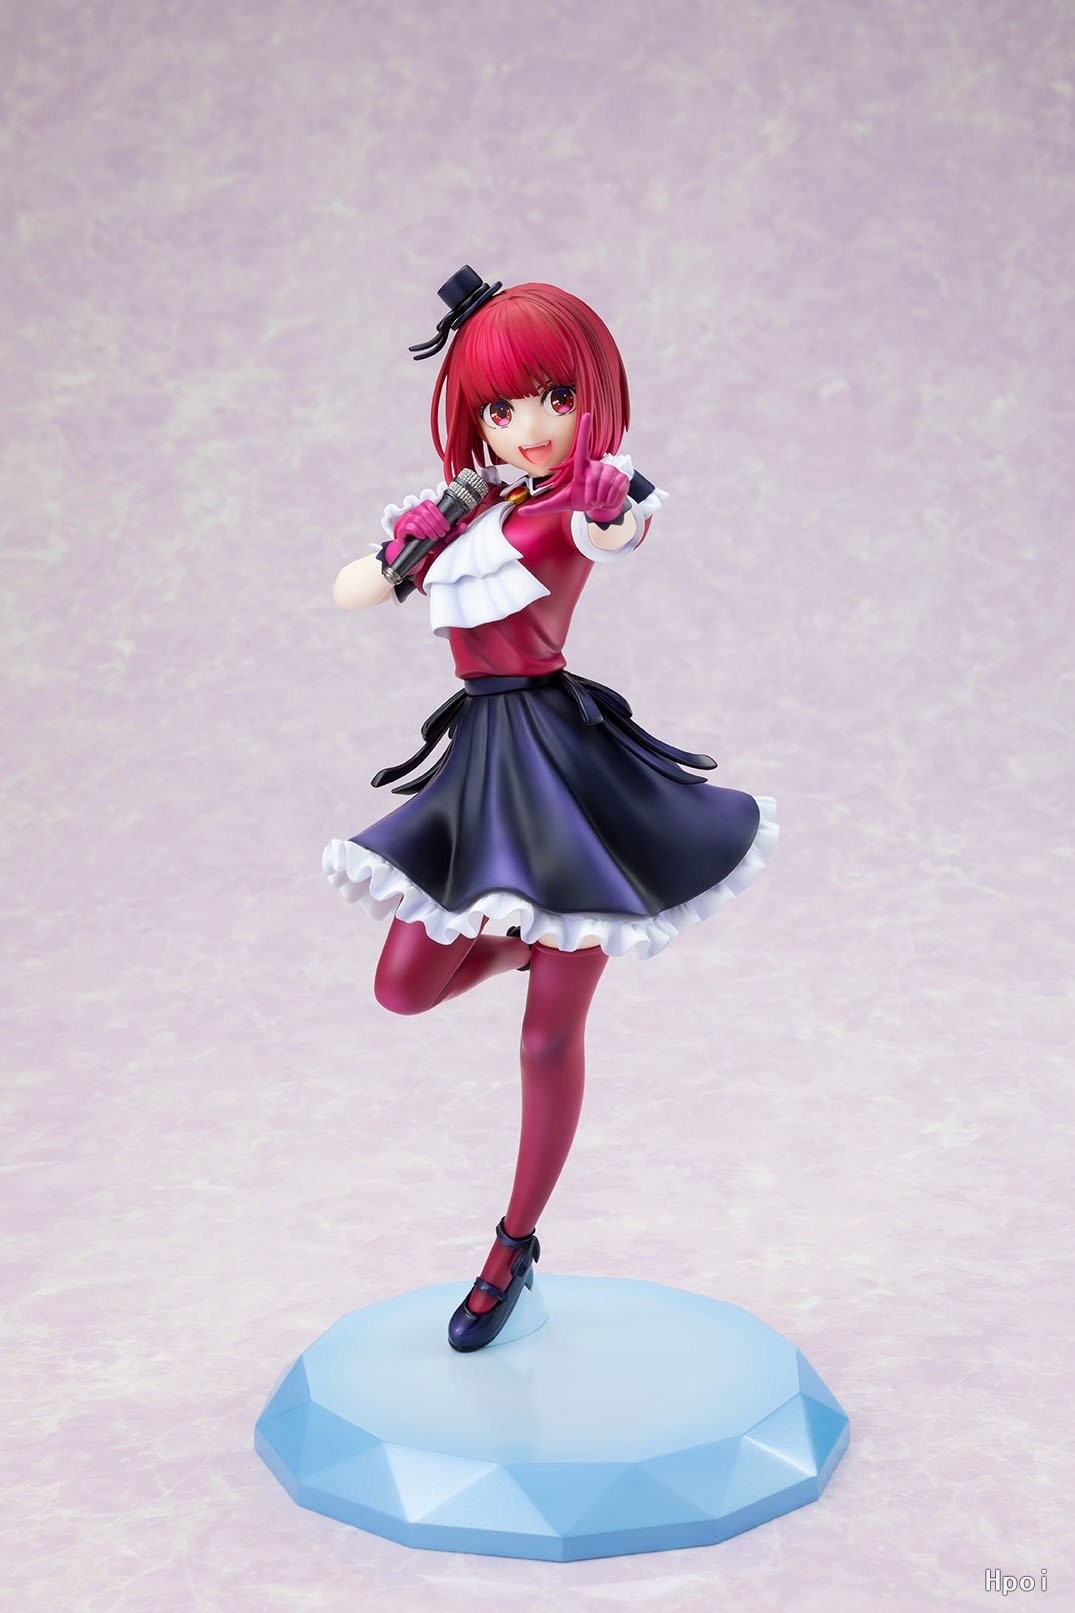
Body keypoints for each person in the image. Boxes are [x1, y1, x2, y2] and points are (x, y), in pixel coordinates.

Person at [325, 268, 778, 1352]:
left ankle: (511, 1245)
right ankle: (539, 937)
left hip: (565, 770)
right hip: (484, 762)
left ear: (590, 399)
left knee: (546, 1039)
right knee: (402, 985)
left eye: (555, 399)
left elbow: (612, 533)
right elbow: (354, 590)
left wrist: (611, 512)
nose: (531, 426)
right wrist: (405, 546)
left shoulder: (582, 502)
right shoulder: (469, 512)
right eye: (502, 406)